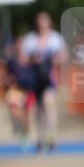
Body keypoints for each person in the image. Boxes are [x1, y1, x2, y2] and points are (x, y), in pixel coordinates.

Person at [19, 12, 67, 151]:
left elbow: (64, 55)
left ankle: (52, 137)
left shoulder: (55, 38)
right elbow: (22, 58)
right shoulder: (31, 39)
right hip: (35, 78)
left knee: (49, 104)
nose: (42, 25)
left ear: (49, 23)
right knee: (38, 109)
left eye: (44, 22)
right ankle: (40, 138)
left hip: (49, 77)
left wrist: (54, 60)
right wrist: (32, 59)